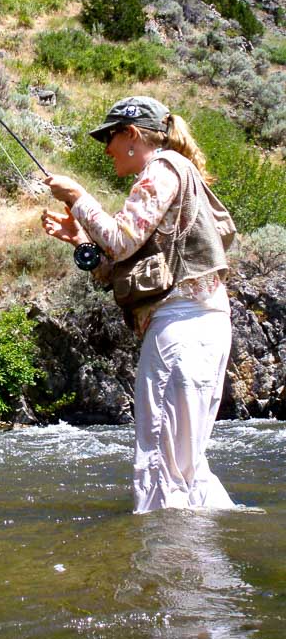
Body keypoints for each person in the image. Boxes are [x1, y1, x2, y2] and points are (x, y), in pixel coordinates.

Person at [41, 95, 237, 514]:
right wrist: (79, 239)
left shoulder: (162, 169)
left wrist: (77, 195)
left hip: (180, 329)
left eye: (108, 139)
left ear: (131, 135)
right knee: (186, 464)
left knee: (161, 463)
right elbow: (120, 263)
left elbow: (119, 240)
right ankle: (208, 546)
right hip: (201, 326)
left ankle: (165, 549)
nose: (106, 150)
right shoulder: (180, 173)